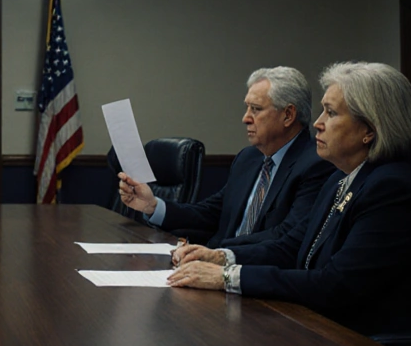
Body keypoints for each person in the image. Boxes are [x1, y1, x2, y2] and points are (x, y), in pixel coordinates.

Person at [168, 62, 411, 335]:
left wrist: (228, 277)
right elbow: (291, 247)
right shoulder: (340, 177)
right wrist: (221, 257)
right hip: (334, 332)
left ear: (369, 130)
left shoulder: (394, 189)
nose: (317, 123)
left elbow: (336, 284)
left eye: (331, 113)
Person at [117, 67, 333, 247]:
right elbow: (211, 213)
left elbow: (286, 237)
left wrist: (219, 253)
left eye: (255, 109)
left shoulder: (316, 164)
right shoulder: (249, 158)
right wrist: (152, 206)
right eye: (247, 108)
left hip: (258, 279)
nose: (245, 118)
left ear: (288, 115)